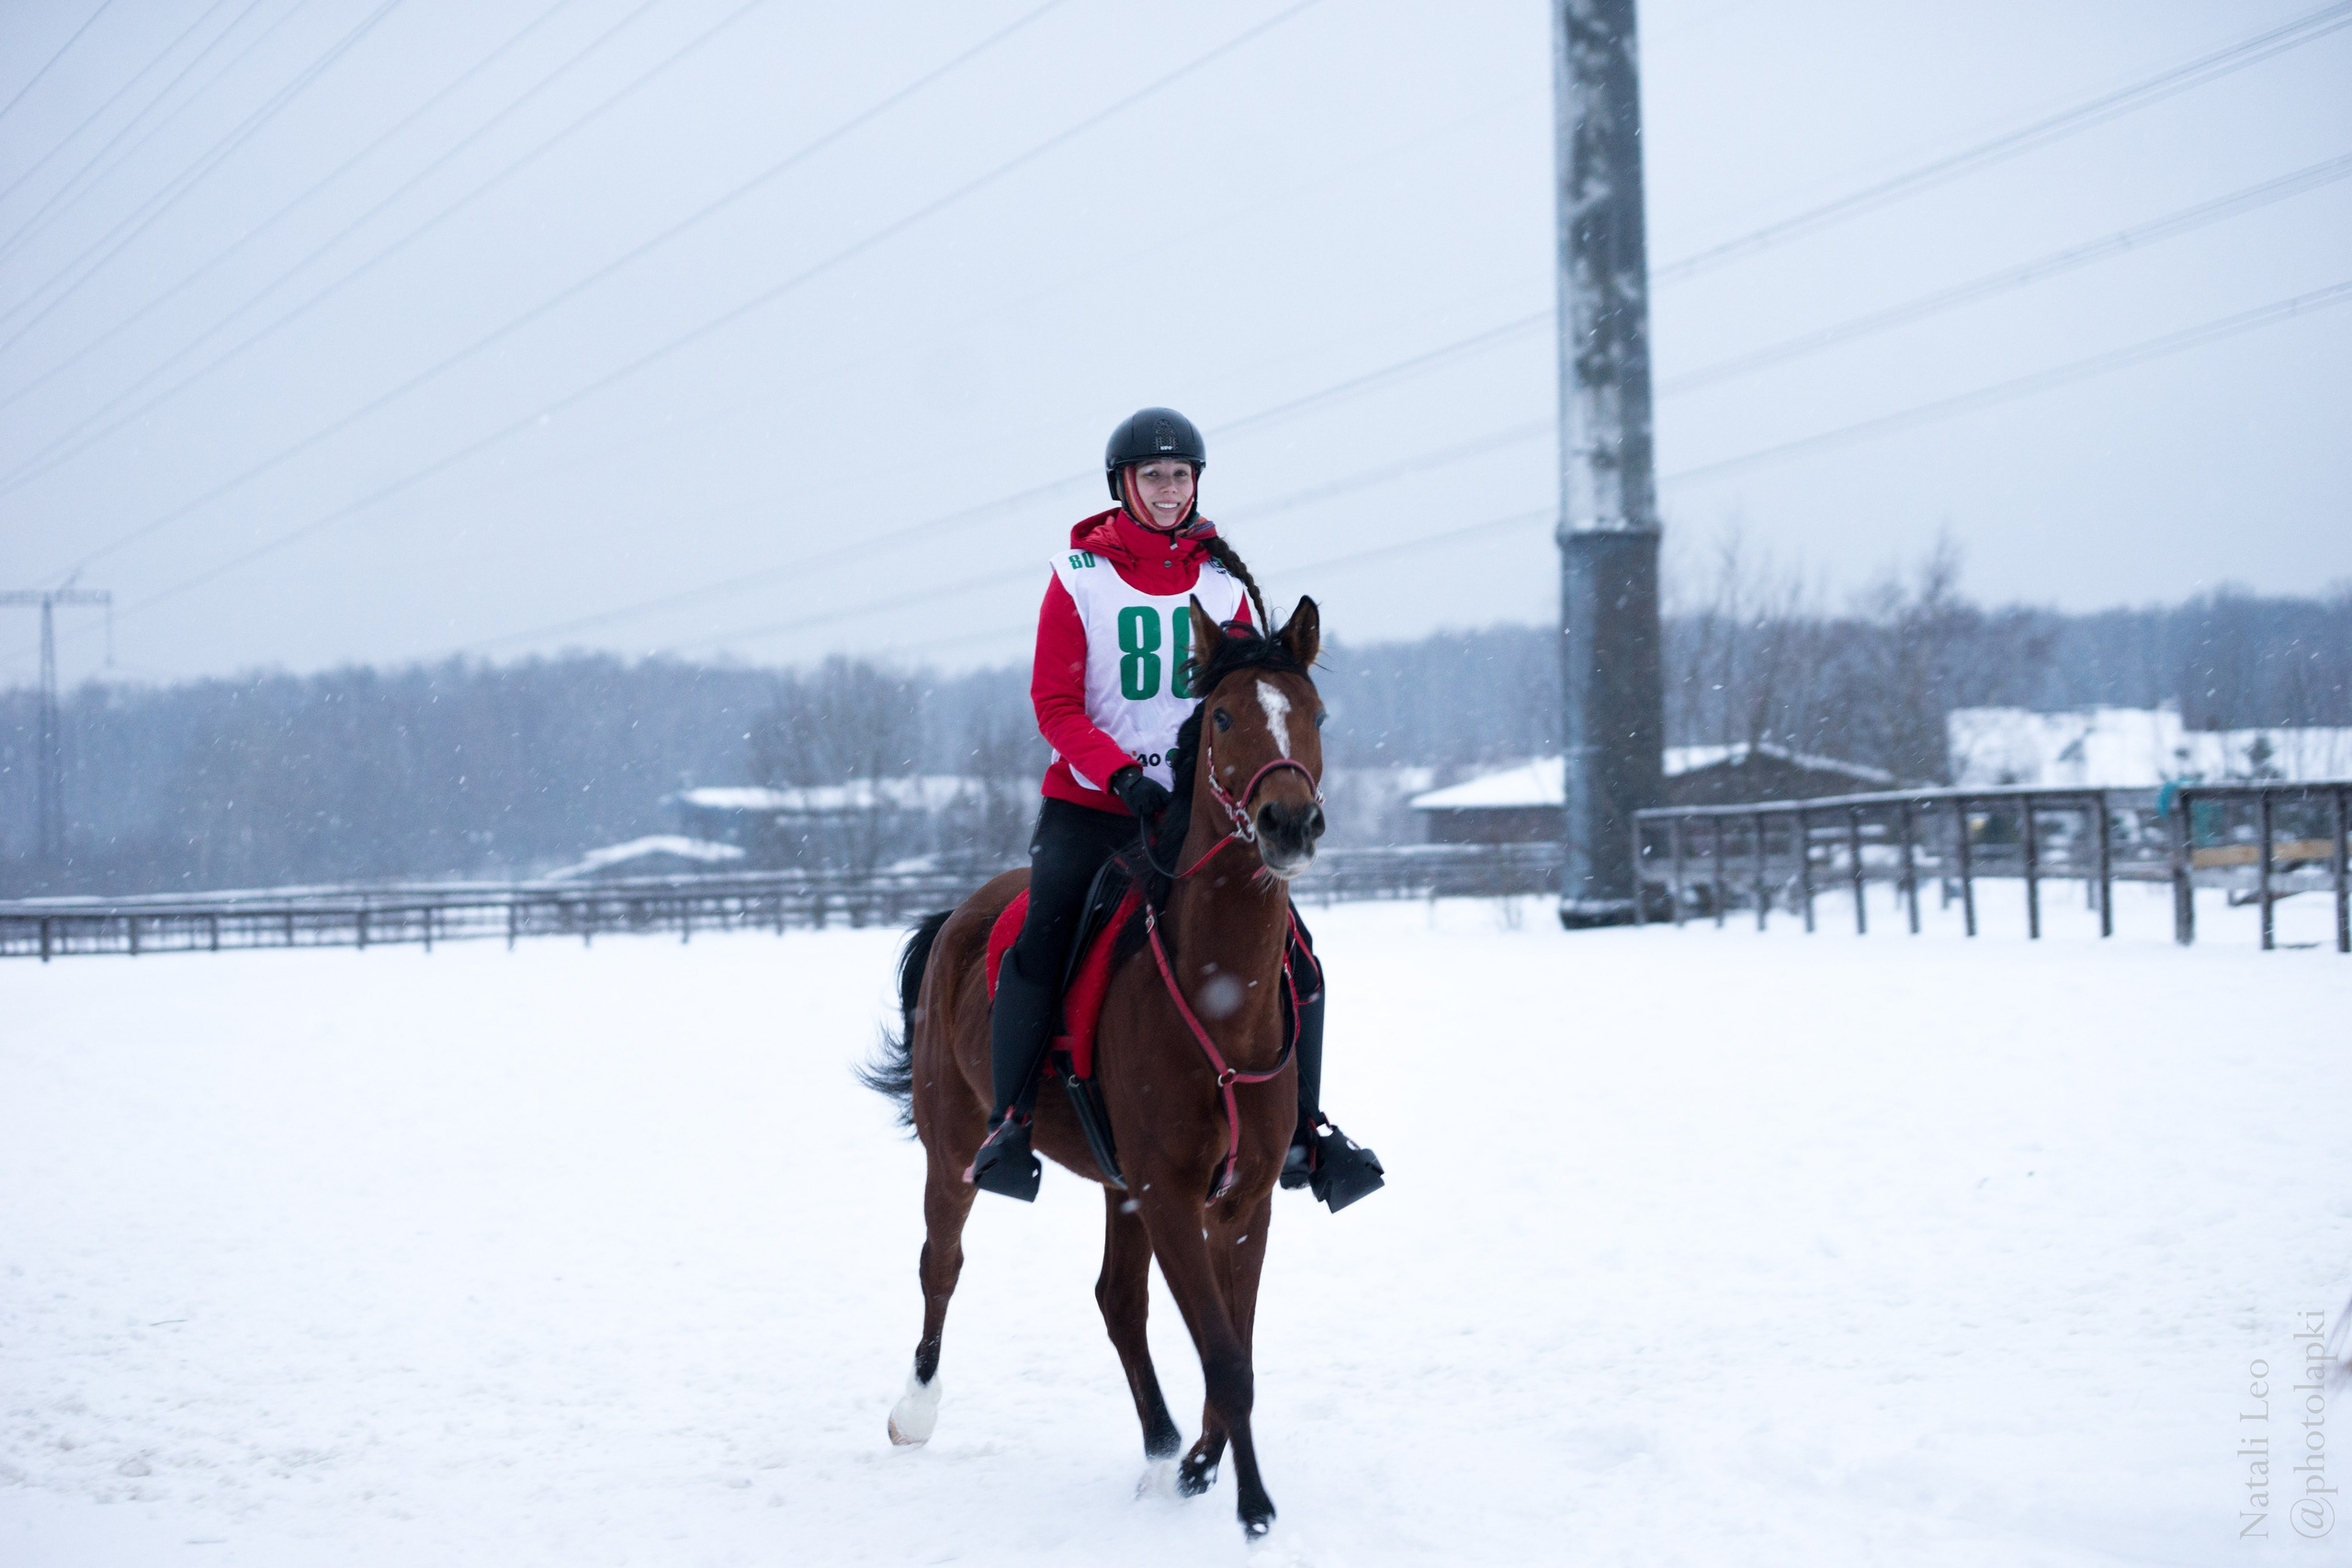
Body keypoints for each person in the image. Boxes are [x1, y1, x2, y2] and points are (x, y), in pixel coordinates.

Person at [967, 407, 1385, 1213]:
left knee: (1297, 957)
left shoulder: (1223, 585)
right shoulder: (1078, 575)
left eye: (1180, 475)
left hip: (1195, 814)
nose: (1167, 488)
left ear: (1197, 483)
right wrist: (1121, 776)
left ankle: (1305, 1131)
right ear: (1123, 485)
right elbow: (1054, 704)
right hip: (1094, 806)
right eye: (1152, 475)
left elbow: (1246, 701)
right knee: (1039, 938)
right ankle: (1011, 1121)